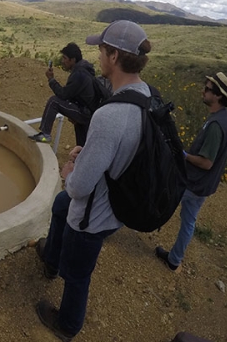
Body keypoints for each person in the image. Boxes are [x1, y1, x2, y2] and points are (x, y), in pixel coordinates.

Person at [34, 20, 153, 341]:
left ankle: (67, 325)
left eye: (101, 49)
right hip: (121, 200)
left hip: (94, 214)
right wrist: (91, 151)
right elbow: (126, 144)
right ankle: (51, 259)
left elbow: (79, 188)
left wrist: (70, 170)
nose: (98, 55)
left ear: (114, 56)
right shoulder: (145, 95)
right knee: (60, 207)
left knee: (78, 274)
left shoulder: (110, 115)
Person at [155, 72, 227, 271]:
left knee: (157, 197)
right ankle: (174, 259)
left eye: (207, 89)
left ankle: (119, 222)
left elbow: (207, 162)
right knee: (189, 221)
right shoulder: (224, 118)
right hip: (205, 184)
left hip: (194, 182)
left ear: (217, 96)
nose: (203, 91)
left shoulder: (216, 125)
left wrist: (184, 155)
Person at [29, 42, 98, 146]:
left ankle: (45, 134)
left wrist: (51, 79)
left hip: (84, 113)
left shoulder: (79, 74)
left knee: (54, 101)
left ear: (73, 59)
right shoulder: (84, 70)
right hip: (87, 112)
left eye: (65, 58)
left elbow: (63, 95)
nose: (62, 61)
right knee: (82, 145)